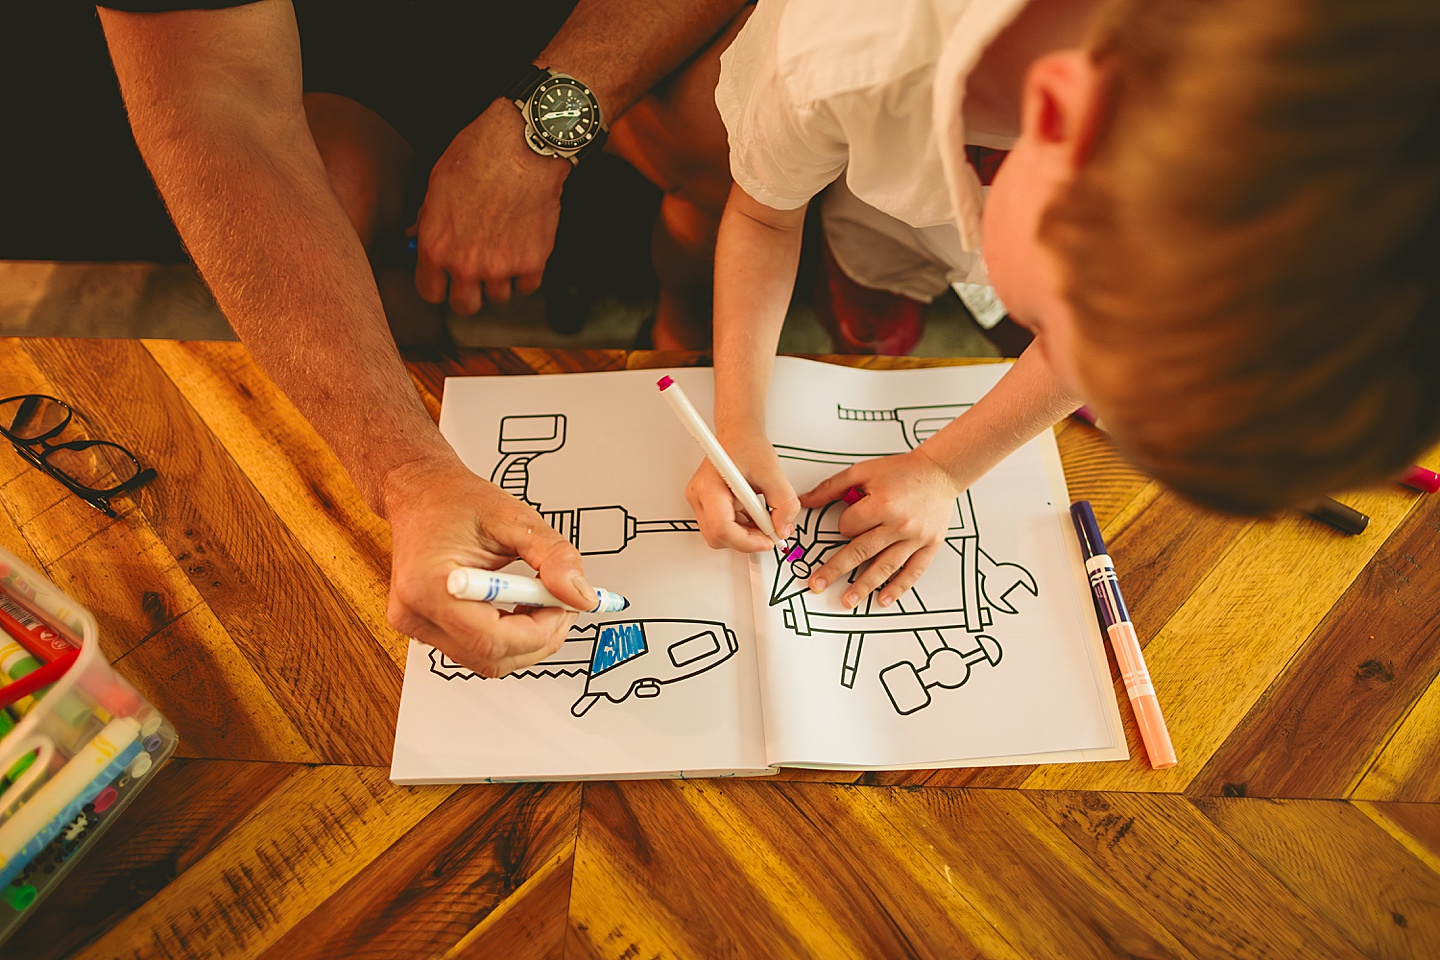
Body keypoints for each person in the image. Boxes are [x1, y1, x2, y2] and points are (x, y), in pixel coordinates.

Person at [687, 0, 1440, 608]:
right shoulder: (838, 54)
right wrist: (737, 422)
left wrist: (947, 468)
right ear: (1050, 118)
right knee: (872, 262)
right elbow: (763, 216)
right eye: (1052, 322)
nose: (1050, 352)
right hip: (873, 202)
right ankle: (877, 294)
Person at [95, 0, 747, 677]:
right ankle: (426, 365)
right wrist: (407, 473)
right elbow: (217, 107)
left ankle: (679, 330)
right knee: (335, 203)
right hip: (348, 66)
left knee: (728, 113)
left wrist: (532, 134)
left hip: (605, 38)